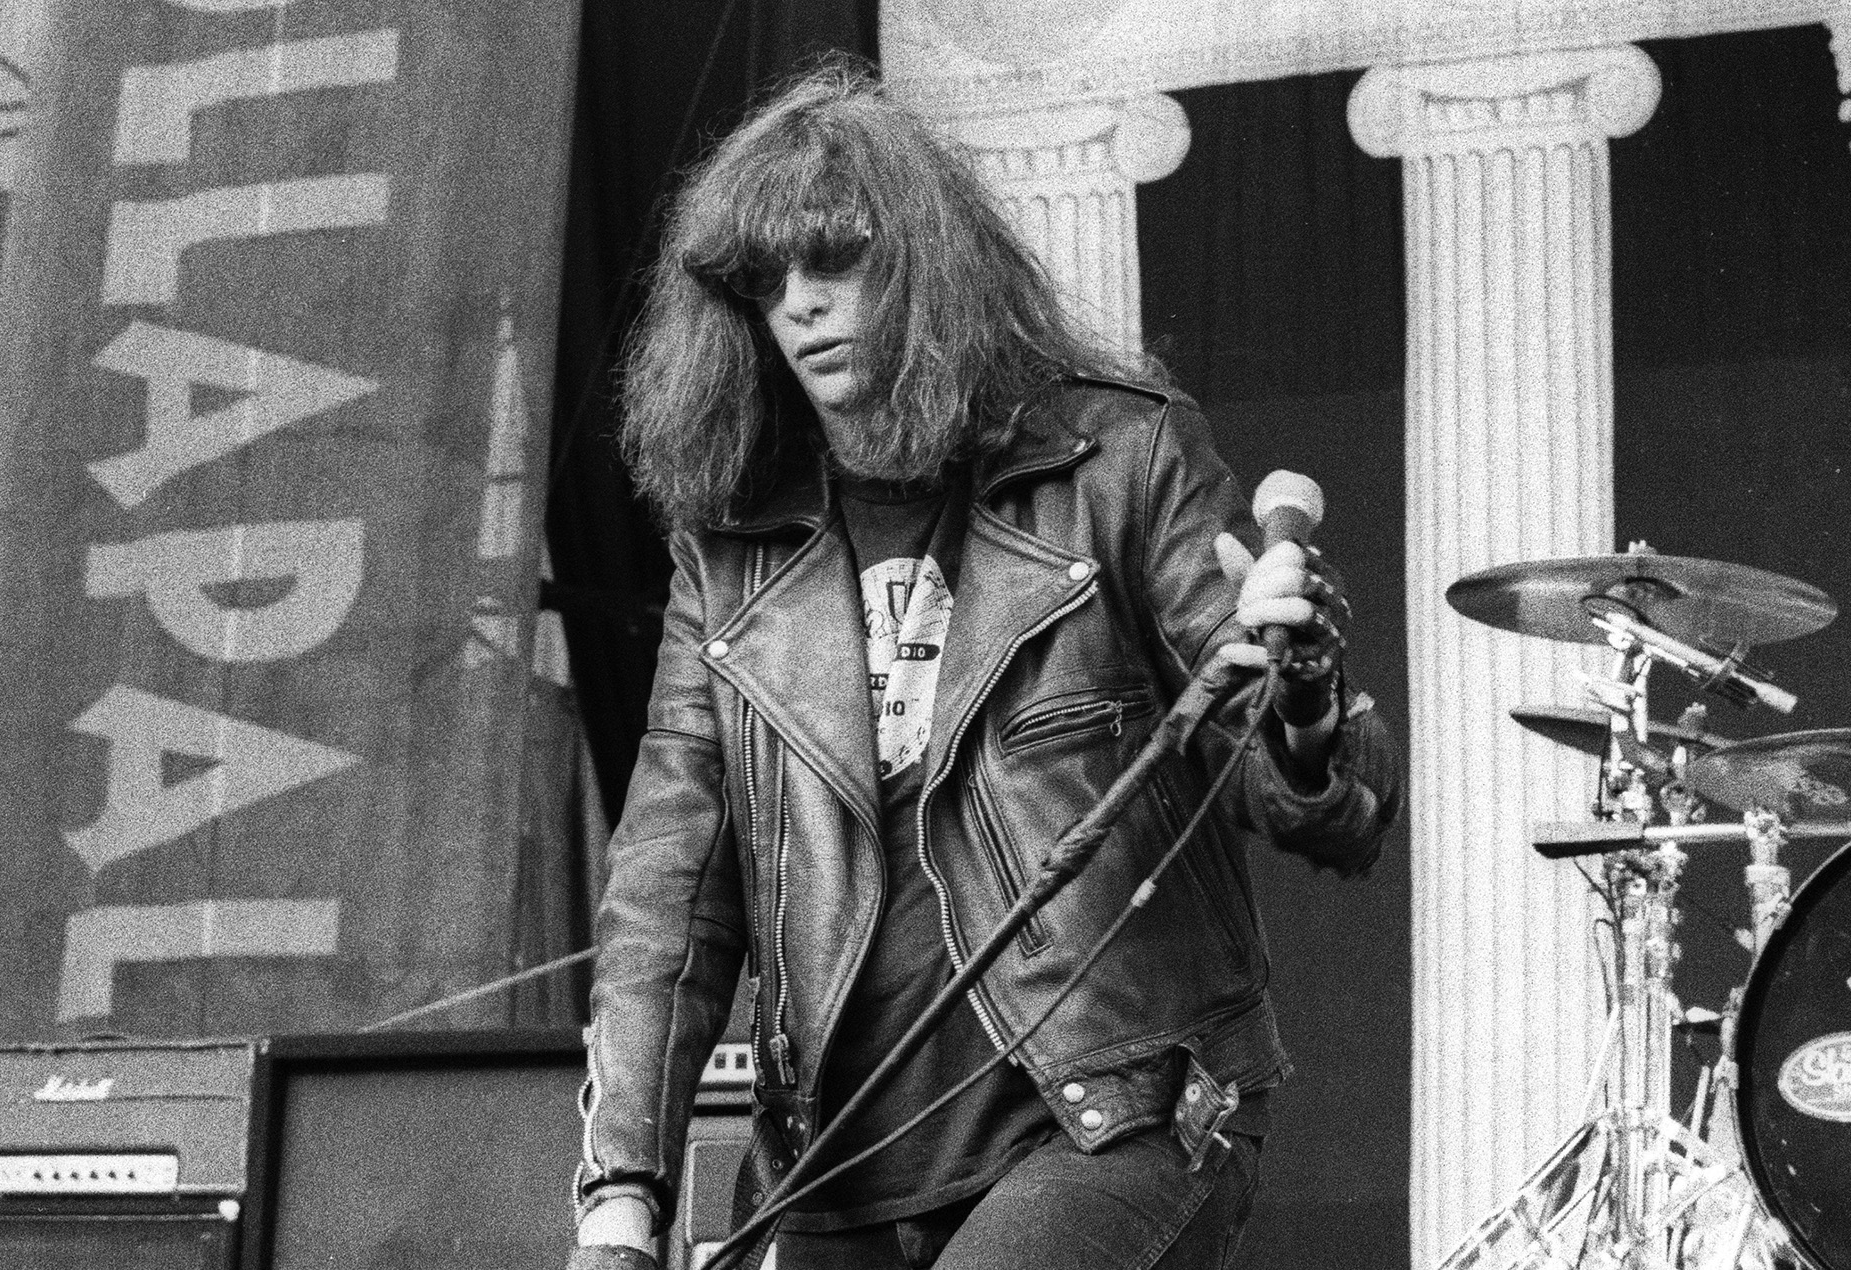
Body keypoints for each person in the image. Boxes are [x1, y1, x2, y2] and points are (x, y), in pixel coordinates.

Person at [568, 62, 1401, 1270]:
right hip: (833, 1165)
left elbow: (1314, 804)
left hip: (1111, 1111)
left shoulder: (1116, 457)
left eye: (835, 258)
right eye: (764, 281)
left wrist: (1305, 691)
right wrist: (619, 1206)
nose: (798, 305)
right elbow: (667, 906)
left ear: (925, 259)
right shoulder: (729, 551)